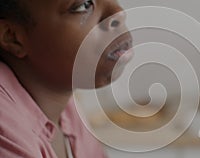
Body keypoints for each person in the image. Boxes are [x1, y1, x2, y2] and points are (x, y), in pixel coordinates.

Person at [0, 0, 133, 157]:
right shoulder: (5, 128)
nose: (118, 13)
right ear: (13, 37)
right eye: (83, 6)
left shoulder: (64, 105)